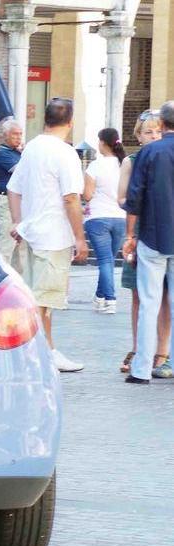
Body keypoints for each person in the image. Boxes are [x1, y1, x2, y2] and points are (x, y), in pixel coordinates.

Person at [8, 98, 88, 373]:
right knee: (42, 302)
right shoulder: (65, 153)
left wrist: (18, 222)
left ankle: (43, 351)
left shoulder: (31, 147)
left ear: (46, 119)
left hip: (32, 234)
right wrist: (80, 237)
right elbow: (71, 198)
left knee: (36, 299)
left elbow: (13, 188)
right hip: (53, 237)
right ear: (70, 122)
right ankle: (42, 355)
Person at [121, 100, 174, 384]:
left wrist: (130, 235)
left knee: (149, 303)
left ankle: (141, 369)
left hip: (153, 235)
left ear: (162, 124)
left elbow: (135, 196)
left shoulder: (149, 152)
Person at [82, 127, 126, 314]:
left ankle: (110, 299)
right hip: (121, 218)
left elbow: (87, 194)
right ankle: (100, 297)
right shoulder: (125, 164)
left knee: (105, 260)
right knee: (108, 260)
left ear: (102, 142)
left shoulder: (95, 166)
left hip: (98, 217)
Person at [0, 118, 23, 263]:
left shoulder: (17, 153)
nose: (19, 137)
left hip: (19, 201)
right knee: (7, 244)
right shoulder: (2, 154)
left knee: (21, 249)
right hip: (7, 202)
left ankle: (19, 277)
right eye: (15, 134)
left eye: (20, 134)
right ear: (6, 135)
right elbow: (22, 172)